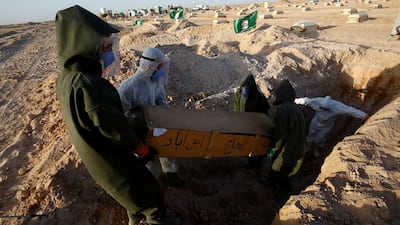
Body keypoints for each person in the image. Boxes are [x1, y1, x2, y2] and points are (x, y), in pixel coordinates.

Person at [55, 5, 180, 225]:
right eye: (105, 47)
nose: (109, 52)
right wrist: (141, 149)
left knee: (133, 195)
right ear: (85, 46)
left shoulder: (69, 78)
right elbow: (115, 128)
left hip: (104, 149)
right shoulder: (89, 86)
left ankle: (137, 214)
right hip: (110, 154)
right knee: (148, 194)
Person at [118, 47, 181, 188]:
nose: (162, 70)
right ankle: (151, 185)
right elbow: (122, 115)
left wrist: (167, 119)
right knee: (149, 163)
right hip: (139, 132)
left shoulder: (157, 82)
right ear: (150, 66)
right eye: (160, 67)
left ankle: (171, 176)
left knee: (167, 150)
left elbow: (162, 101)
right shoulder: (128, 88)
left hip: (157, 126)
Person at [260, 79, 306, 195]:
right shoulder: (298, 109)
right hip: (299, 147)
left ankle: (276, 193)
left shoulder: (283, 111)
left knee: (277, 168)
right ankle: (284, 191)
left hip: (287, 148)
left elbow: (280, 136)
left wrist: (271, 152)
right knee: (287, 171)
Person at [295, 95, 369, 158]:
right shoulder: (317, 101)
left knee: (320, 138)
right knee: (311, 134)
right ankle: (309, 147)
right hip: (316, 122)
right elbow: (305, 101)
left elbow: (350, 110)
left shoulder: (338, 107)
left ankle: (316, 148)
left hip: (326, 126)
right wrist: (294, 100)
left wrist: (364, 116)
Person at [234, 74, 270, 173]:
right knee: (247, 145)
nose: (245, 91)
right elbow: (236, 105)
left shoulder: (259, 97)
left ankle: (258, 165)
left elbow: (265, 112)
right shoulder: (238, 94)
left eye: (247, 89)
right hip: (243, 125)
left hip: (256, 126)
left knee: (258, 146)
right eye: (244, 88)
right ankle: (251, 162)